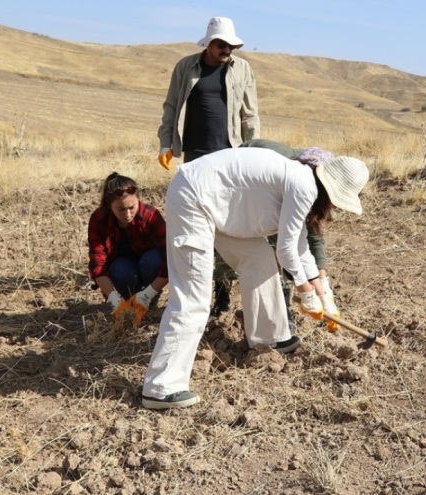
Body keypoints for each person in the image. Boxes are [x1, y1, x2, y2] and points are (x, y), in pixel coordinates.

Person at [141, 147, 369, 409]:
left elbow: (299, 245)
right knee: (194, 295)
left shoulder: (302, 179)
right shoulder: (304, 185)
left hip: (215, 203)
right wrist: (305, 292)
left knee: (259, 257)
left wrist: (323, 296)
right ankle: (161, 387)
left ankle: (268, 338)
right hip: (194, 199)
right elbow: (285, 249)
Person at [156, 16, 260, 319]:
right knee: (198, 223)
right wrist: (166, 144)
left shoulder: (242, 69)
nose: (227, 49)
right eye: (221, 44)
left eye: (232, 45)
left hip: (230, 157)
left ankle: (224, 290)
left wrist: (253, 153)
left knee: (225, 224)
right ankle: (196, 289)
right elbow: (171, 106)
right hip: (195, 158)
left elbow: (250, 116)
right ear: (208, 43)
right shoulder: (185, 67)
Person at [240, 139, 343, 333]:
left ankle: (283, 303)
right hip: (247, 182)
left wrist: (323, 291)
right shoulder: (298, 183)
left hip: (271, 188)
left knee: (291, 243)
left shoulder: (322, 180)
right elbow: (285, 248)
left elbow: (310, 236)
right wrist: (307, 293)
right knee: (271, 249)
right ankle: (280, 308)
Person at [88, 173, 169, 325]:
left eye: (132, 207)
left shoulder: (150, 215)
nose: (127, 214)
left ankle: (148, 297)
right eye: (120, 209)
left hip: (149, 264)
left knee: (153, 261)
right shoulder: (99, 220)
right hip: (124, 266)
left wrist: (148, 293)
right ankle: (129, 300)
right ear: (109, 205)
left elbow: (171, 258)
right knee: (119, 270)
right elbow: (97, 263)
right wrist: (113, 299)